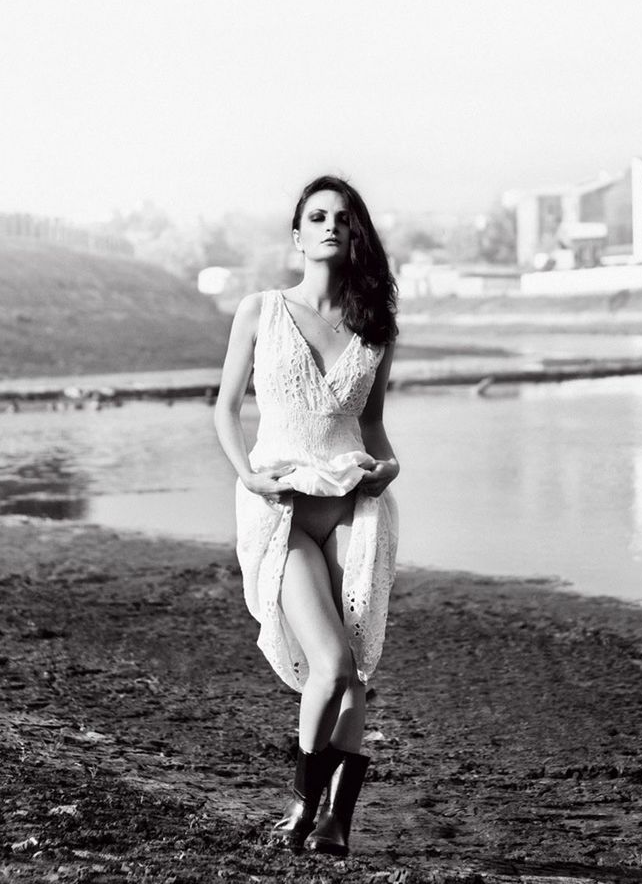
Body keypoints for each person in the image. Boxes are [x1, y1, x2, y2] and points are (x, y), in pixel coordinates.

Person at [213, 175, 400, 857]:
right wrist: (248, 473)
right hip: (283, 515)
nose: (330, 225)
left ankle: (336, 822)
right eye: (316, 216)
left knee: (357, 667)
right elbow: (225, 409)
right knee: (329, 664)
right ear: (298, 235)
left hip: (357, 507)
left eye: (343, 218)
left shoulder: (374, 325)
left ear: (356, 235)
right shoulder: (259, 309)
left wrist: (390, 464)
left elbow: (373, 424)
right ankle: (301, 806)